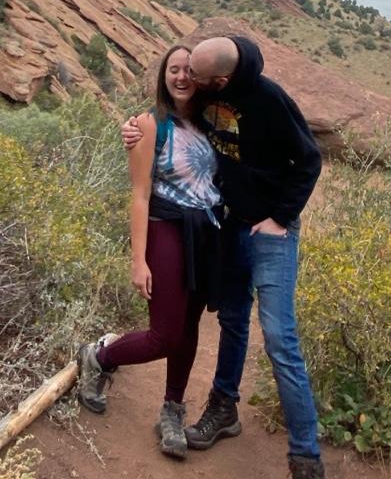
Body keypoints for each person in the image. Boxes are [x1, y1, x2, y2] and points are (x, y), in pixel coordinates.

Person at [122, 35, 325, 479]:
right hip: (230, 225)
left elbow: (310, 160)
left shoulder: (269, 99)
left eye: (197, 75)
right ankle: (224, 407)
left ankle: (306, 455)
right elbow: (170, 121)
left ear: (222, 79)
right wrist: (135, 128)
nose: (190, 80)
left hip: (271, 231)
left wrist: (280, 218)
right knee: (232, 320)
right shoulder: (206, 96)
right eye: (186, 72)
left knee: (279, 337)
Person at [75, 44, 224, 460]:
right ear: (163, 76)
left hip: (205, 235)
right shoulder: (149, 124)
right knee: (165, 335)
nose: (181, 77)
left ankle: (172, 410)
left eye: (188, 70)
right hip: (167, 228)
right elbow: (139, 195)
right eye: (173, 69)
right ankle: (100, 357)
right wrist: (138, 260)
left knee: (189, 327)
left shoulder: (209, 123)